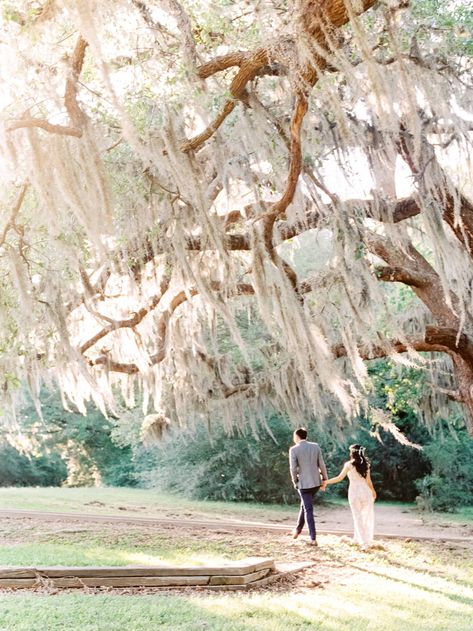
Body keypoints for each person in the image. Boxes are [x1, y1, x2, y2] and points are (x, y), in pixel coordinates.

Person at [322, 444, 376, 549]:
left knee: (358, 517)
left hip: (354, 493)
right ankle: (358, 539)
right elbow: (368, 481)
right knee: (364, 517)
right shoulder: (366, 465)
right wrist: (373, 491)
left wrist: (325, 482)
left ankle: (364, 543)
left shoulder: (349, 465)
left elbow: (339, 478)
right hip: (365, 492)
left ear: (352, 453)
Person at [289, 427, 328, 546]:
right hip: (315, 483)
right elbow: (321, 463)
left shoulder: (294, 449)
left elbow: (293, 468)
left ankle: (313, 538)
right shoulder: (315, 446)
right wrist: (324, 478)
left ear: (297, 436)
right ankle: (297, 530)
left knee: (308, 509)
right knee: (305, 506)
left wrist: (295, 481)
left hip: (304, 484)